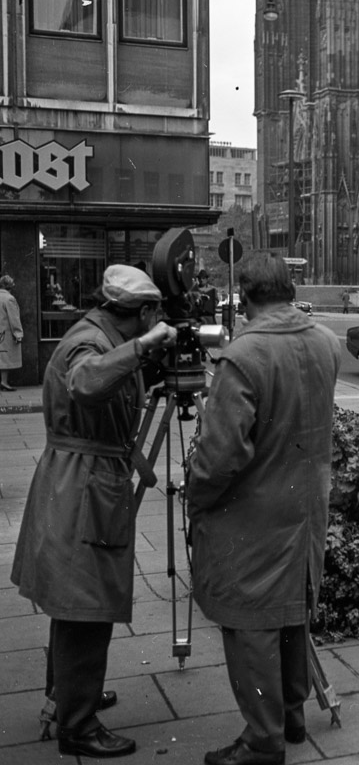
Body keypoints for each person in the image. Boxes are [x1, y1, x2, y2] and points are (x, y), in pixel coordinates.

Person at [10, 264, 177, 758]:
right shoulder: (90, 343)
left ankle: (72, 695)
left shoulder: (98, 332)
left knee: (75, 600)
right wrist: (143, 349)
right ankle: (77, 725)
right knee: (85, 605)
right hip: (83, 484)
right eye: (154, 316)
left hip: (83, 478)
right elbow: (85, 382)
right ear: (143, 312)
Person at [186, 254, 340, 765]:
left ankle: (262, 740)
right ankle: (291, 716)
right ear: (289, 289)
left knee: (250, 620)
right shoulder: (324, 342)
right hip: (305, 503)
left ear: (246, 297)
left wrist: (197, 500)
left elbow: (218, 458)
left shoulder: (243, 356)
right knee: (294, 608)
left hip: (252, 512)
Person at [0, 274, 23, 390]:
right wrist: (18, 334)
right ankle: (4, 382)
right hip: (6, 333)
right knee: (5, 357)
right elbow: (14, 318)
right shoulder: (9, 299)